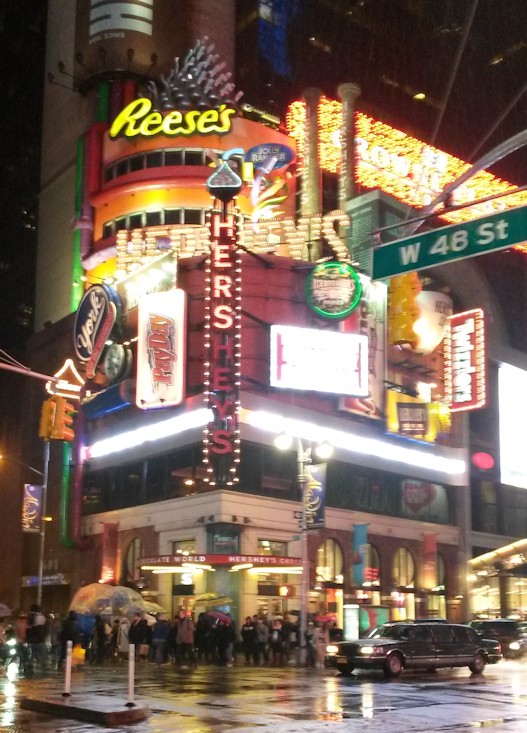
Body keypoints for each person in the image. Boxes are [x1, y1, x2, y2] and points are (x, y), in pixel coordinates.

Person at [26, 603, 48, 671]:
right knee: (41, 652)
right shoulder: (40, 617)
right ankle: (41, 665)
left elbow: (28, 629)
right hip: (39, 639)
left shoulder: (28, 617)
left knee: (33, 652)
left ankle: (30, 664)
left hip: (31, 639)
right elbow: (43, 629)